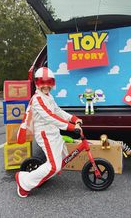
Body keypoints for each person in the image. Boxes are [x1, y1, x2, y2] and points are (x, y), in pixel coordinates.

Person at [15, 67, 82, 198]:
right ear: (37, 83)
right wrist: (70, 127)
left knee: (60, 160)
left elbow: (57, 111)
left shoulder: (48, 96)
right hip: (45, 134)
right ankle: (24, 182)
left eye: (49, 83)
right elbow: (49, 116)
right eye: (42, 83)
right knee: (53, 166)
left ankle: (36, 176)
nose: (46, 86)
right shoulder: (37, 99)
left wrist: (73, 118)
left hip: (53, 132)